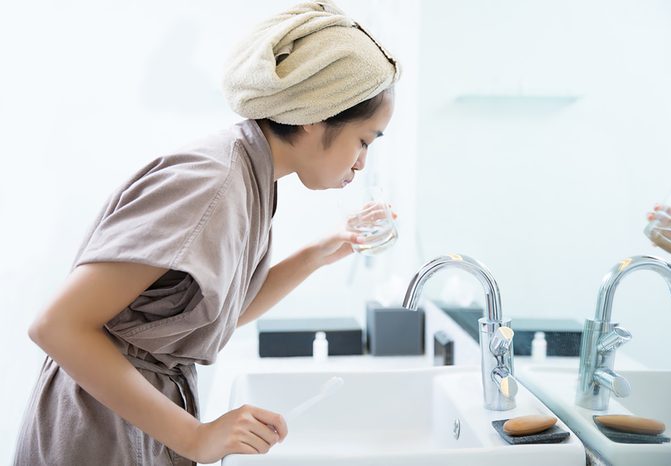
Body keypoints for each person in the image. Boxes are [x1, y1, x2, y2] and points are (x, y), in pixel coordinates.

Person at [13, 1, 400, 464]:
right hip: (100, 429)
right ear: (317, 113)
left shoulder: (250, 175)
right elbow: (58, 326)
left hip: (130, 418)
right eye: (364, 141)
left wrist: (322, 250)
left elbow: (212, 316)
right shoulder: (212, 182)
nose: (361, 163)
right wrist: (194, 437)